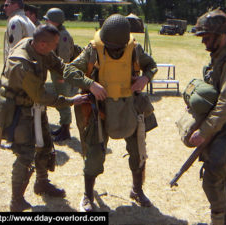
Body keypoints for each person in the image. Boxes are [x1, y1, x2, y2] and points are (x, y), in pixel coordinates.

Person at [64, 14, 158, 212]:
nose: (113, 50)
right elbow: (70, 71)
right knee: (94, 154)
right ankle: (88, 196)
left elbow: (152, 65)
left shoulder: (134, 48)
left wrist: (145, 78)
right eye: (110, 46)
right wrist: (90, 84)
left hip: (129, 107)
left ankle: (137, 190)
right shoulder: (93, 49)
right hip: (100, 110)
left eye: (117, 47)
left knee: (138, 151)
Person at [0, 24, 87, 212]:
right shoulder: (22, 62)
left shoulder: (42, 49)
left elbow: (60, 66)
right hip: (19, 110)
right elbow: (41, 96)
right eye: (54, 44)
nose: (56, 48)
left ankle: (42, 183)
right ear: (43, 44)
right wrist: (70, 101)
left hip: (35, 105)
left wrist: (87, 82)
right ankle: (16, 200)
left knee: (46, 145)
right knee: (25, 154)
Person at [189, 9, 226, 225]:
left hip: (225, 130)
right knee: (222, 176)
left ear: (222, 35)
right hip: (219, 129)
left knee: (213, 178)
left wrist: (204, 132)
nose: (203, 40)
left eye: (207, 36)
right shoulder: (218, 59)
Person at [44, 8, 75, 142]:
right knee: (60, 99)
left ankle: (66, 130)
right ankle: (63, 127)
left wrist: (62, 75)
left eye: (48, 19)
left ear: (55, 21)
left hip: (61, 73)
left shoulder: (62, 35)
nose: (46, 21)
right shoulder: (57, 33)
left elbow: (63, 58)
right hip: (58, 72)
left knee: (63, 100)